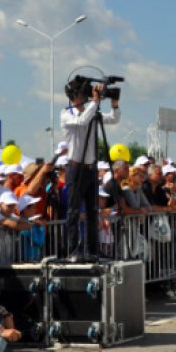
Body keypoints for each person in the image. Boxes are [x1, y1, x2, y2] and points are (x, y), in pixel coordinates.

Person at [60, 79, 120, 261]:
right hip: (75, 168)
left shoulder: (92, 112)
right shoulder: (66, 114)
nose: (84, 96)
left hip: (91, 168)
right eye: (82, 93)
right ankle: (72, 250)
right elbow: (81, 121)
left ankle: (92, 250)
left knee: (93, 210)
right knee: (73, 211)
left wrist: (114, 104)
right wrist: (94, 102)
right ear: (74, 95)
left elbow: (113, 119)